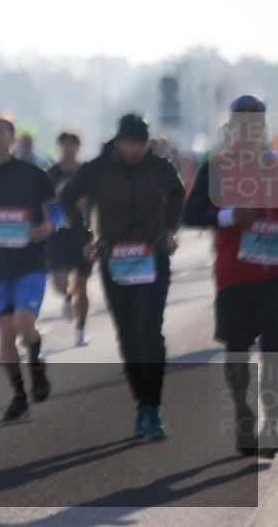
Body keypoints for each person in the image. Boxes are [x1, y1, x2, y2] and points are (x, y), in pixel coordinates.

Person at [60, 114, 185, 440]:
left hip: (152, 257)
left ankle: (153, 406)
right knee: (129, 335)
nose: (135, 150)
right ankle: (141, 403)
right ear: (118, 142)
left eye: (140, 144)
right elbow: (66, 197)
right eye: (129, 143)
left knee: (150, 329)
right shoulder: (98, 168)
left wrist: (170, 230)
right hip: (114, 259)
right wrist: (84, 237)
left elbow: (177, 195)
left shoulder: (160, 168)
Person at [181, 95, 277, 457]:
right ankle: (244, 417)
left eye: (256, 121)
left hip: (274, 278)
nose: (250, 128)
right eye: (243, 122)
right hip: (235, 275)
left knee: (273, 352)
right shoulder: (217, 167)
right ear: (232, 127)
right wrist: (227, 217)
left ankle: (273, 423)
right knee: (236, 350)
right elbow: (190, 215)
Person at [0, 115, 54, 421]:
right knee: (5, 332)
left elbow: (50, 213)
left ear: (13, 139)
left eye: (2, 132)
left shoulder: (33, 175)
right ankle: (18, 393)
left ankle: (36, 363)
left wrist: (47, 226)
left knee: (22, 324)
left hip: (30, 261)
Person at [47, 131, 92, 345]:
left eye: (72, 144)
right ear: (59, 146)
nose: (69, 148)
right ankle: (67, 296)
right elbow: (42, 203)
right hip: (58, 234)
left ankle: (81, 329)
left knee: (83, 283)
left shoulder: (85, 172)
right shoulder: (51, 174)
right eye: (65, 144)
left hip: (82, 233)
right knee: (59, 282)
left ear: (78, 147)